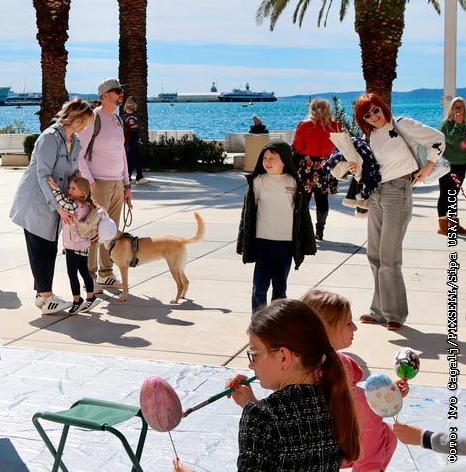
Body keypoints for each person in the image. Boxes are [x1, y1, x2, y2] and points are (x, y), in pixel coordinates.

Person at [173, 299, 360, 472]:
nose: (251, 365)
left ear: (283, 357)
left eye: (254, 355)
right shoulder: (333, 399)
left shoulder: (262, 417)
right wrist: (251, 405)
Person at [351, 93, 444, 331]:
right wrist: (356, 168)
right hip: (377, 194)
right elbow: (371, 169)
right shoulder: (370, 136)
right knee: (374, 255)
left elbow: (438, 139)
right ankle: (379, 311)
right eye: (367, 115)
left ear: (382, 107)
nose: (374, 117)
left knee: (389, 257)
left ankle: (395, 314)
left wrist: (428, 167)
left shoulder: (401, 124)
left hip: (398, 192)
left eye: (376, 110)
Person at [301, 289, 410, 472]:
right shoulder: (340, 365)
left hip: (314, 446)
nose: (355, 328)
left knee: (388, 434)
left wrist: (388, 395)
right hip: (335, 447)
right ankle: (370, 468)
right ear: (326, 328)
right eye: (348, 323)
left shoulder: (297, 363)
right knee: (367, 411)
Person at [10, 97, 94, 314]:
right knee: (40, 248)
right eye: (84, 122)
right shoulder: (49, 138)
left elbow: (71, 172)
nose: (85, 127)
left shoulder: (75, 141)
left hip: (57, 201)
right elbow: (43, 174)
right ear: (75, 118)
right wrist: (58, 207)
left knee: (49, 248)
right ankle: (47, 298)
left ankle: (42, 295)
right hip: (36, 202)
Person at [236, 141, 317, 311]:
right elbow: (248, 214)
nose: (267, 161)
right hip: (264, 241)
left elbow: (303, 215)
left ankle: (277, 320)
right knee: (260, 286)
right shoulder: (258, 182)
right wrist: (243, 240)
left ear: (284, 161)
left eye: (272, 158)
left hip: (286, 242)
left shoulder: (294, 182)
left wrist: (307, 242)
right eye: (264, 158)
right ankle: (258, 319)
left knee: (280, 287)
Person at [77, 78, 128, 291]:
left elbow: (122, 153)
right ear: (105, 95)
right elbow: (78, 153)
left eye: (121, 90)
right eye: (117, 91)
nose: (121, 94)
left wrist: (127, 184)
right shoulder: (93, 119)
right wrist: (90, 181)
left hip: (117, 184)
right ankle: (90, 277)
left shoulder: (117, 120)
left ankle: (106, 273)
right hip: (99, 184)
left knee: (111, 231)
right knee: (94, 231)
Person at [47, 175, 103, 314]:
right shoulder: (87, 205)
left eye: (73, 188)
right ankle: (90, 296)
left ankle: (77, 300)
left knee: (72, 274)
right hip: (84, 244)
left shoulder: (75, 206)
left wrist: (55, 188)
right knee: (84, 271)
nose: (69, 190)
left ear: (82, 193)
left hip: (73, 245)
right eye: (69, 188)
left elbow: (62, 203)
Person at [292, 98, 343, 241]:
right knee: (322, 199)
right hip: (326, 165)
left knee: (304, 199)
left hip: (307, 165)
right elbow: (341, 146)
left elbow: (297, 147)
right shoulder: (336, 126)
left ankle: (303, 230)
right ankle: (320, 230)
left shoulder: (305, 125)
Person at [438, 96, 466, 235]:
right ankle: (443, 226)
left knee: (453, 195)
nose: (459, 109)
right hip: (447, 165)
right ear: (451, 109)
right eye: (456, 107)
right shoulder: (446, 124)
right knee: (445, 194)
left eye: (461, 107)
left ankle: (454, 225)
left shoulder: (465, 125)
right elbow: (451, 140)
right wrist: (458, 124)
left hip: (461, 164)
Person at [121, 97, 146, 185]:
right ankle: (139, 176)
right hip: (133, 136)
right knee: (136, 156)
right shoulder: (135, 115)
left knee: (131, 157)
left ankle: (128, 176)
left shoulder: (124, 115)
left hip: (128, 137)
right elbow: (139, 125)